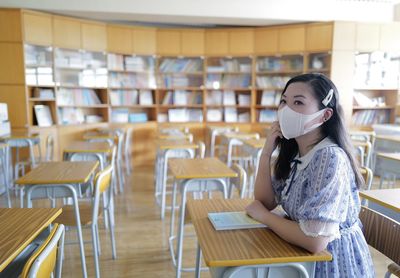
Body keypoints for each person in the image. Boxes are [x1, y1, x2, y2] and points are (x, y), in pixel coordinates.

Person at [246, 73, 374, 277]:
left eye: (298, 102)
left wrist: (264, 217)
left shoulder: (329, 157)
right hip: (298, 255)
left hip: (331, 263)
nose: (286, 110)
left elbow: (315, 241)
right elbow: (264, 201)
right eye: (284, 102)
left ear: (325, 115)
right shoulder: (296, 151)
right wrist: (266, 152)